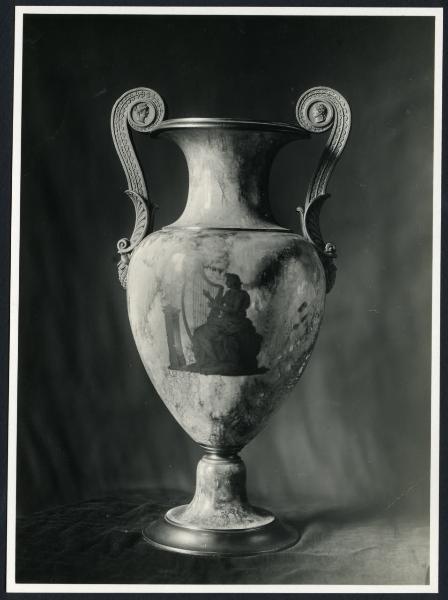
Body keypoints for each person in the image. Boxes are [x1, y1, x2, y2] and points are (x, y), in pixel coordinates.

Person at [191, 273, 263, 375]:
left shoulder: (242, 294)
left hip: (235, 322)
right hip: (225, 320)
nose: (226, 282)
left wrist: (217, 306)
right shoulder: (229, 293)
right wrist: (209, 297)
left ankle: (215, 360)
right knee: (199, 332)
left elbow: (234, 310)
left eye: (228, 280)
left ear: (234, 281)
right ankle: (211, 359)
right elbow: (219, 305)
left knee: (207, 333)